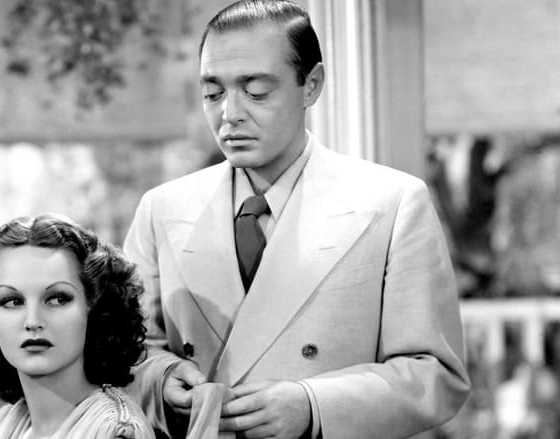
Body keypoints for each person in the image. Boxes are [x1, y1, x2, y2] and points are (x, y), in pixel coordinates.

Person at [123, 1, 471, 438]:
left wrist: (312, 405)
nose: (230, 114)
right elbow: (126, 352)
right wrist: (161, 379)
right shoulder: (161, 209)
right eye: (213, 93)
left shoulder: (393, 203)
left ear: (311, 85)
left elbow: (435, 375)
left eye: (256, 92)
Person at [0, 214, 155, 439]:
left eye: (58, 299)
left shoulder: (115, 432)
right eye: (12, 301)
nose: (33, 321)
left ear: (95, 306)